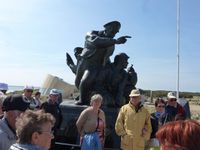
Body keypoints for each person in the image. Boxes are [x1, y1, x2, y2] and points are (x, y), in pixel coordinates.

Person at [75, 21, 131, 105]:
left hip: (95, 66)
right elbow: (95, 41)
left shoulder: (111, 44)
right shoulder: (92, 33)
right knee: (78, 82)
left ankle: (82, 100)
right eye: (113, 31)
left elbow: (107, 57)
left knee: (87, 80)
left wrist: (112, 68)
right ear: (107, 27)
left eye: (116, 32)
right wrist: (115, 41)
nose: (114, 33)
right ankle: (84, 96)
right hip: (85, 62)